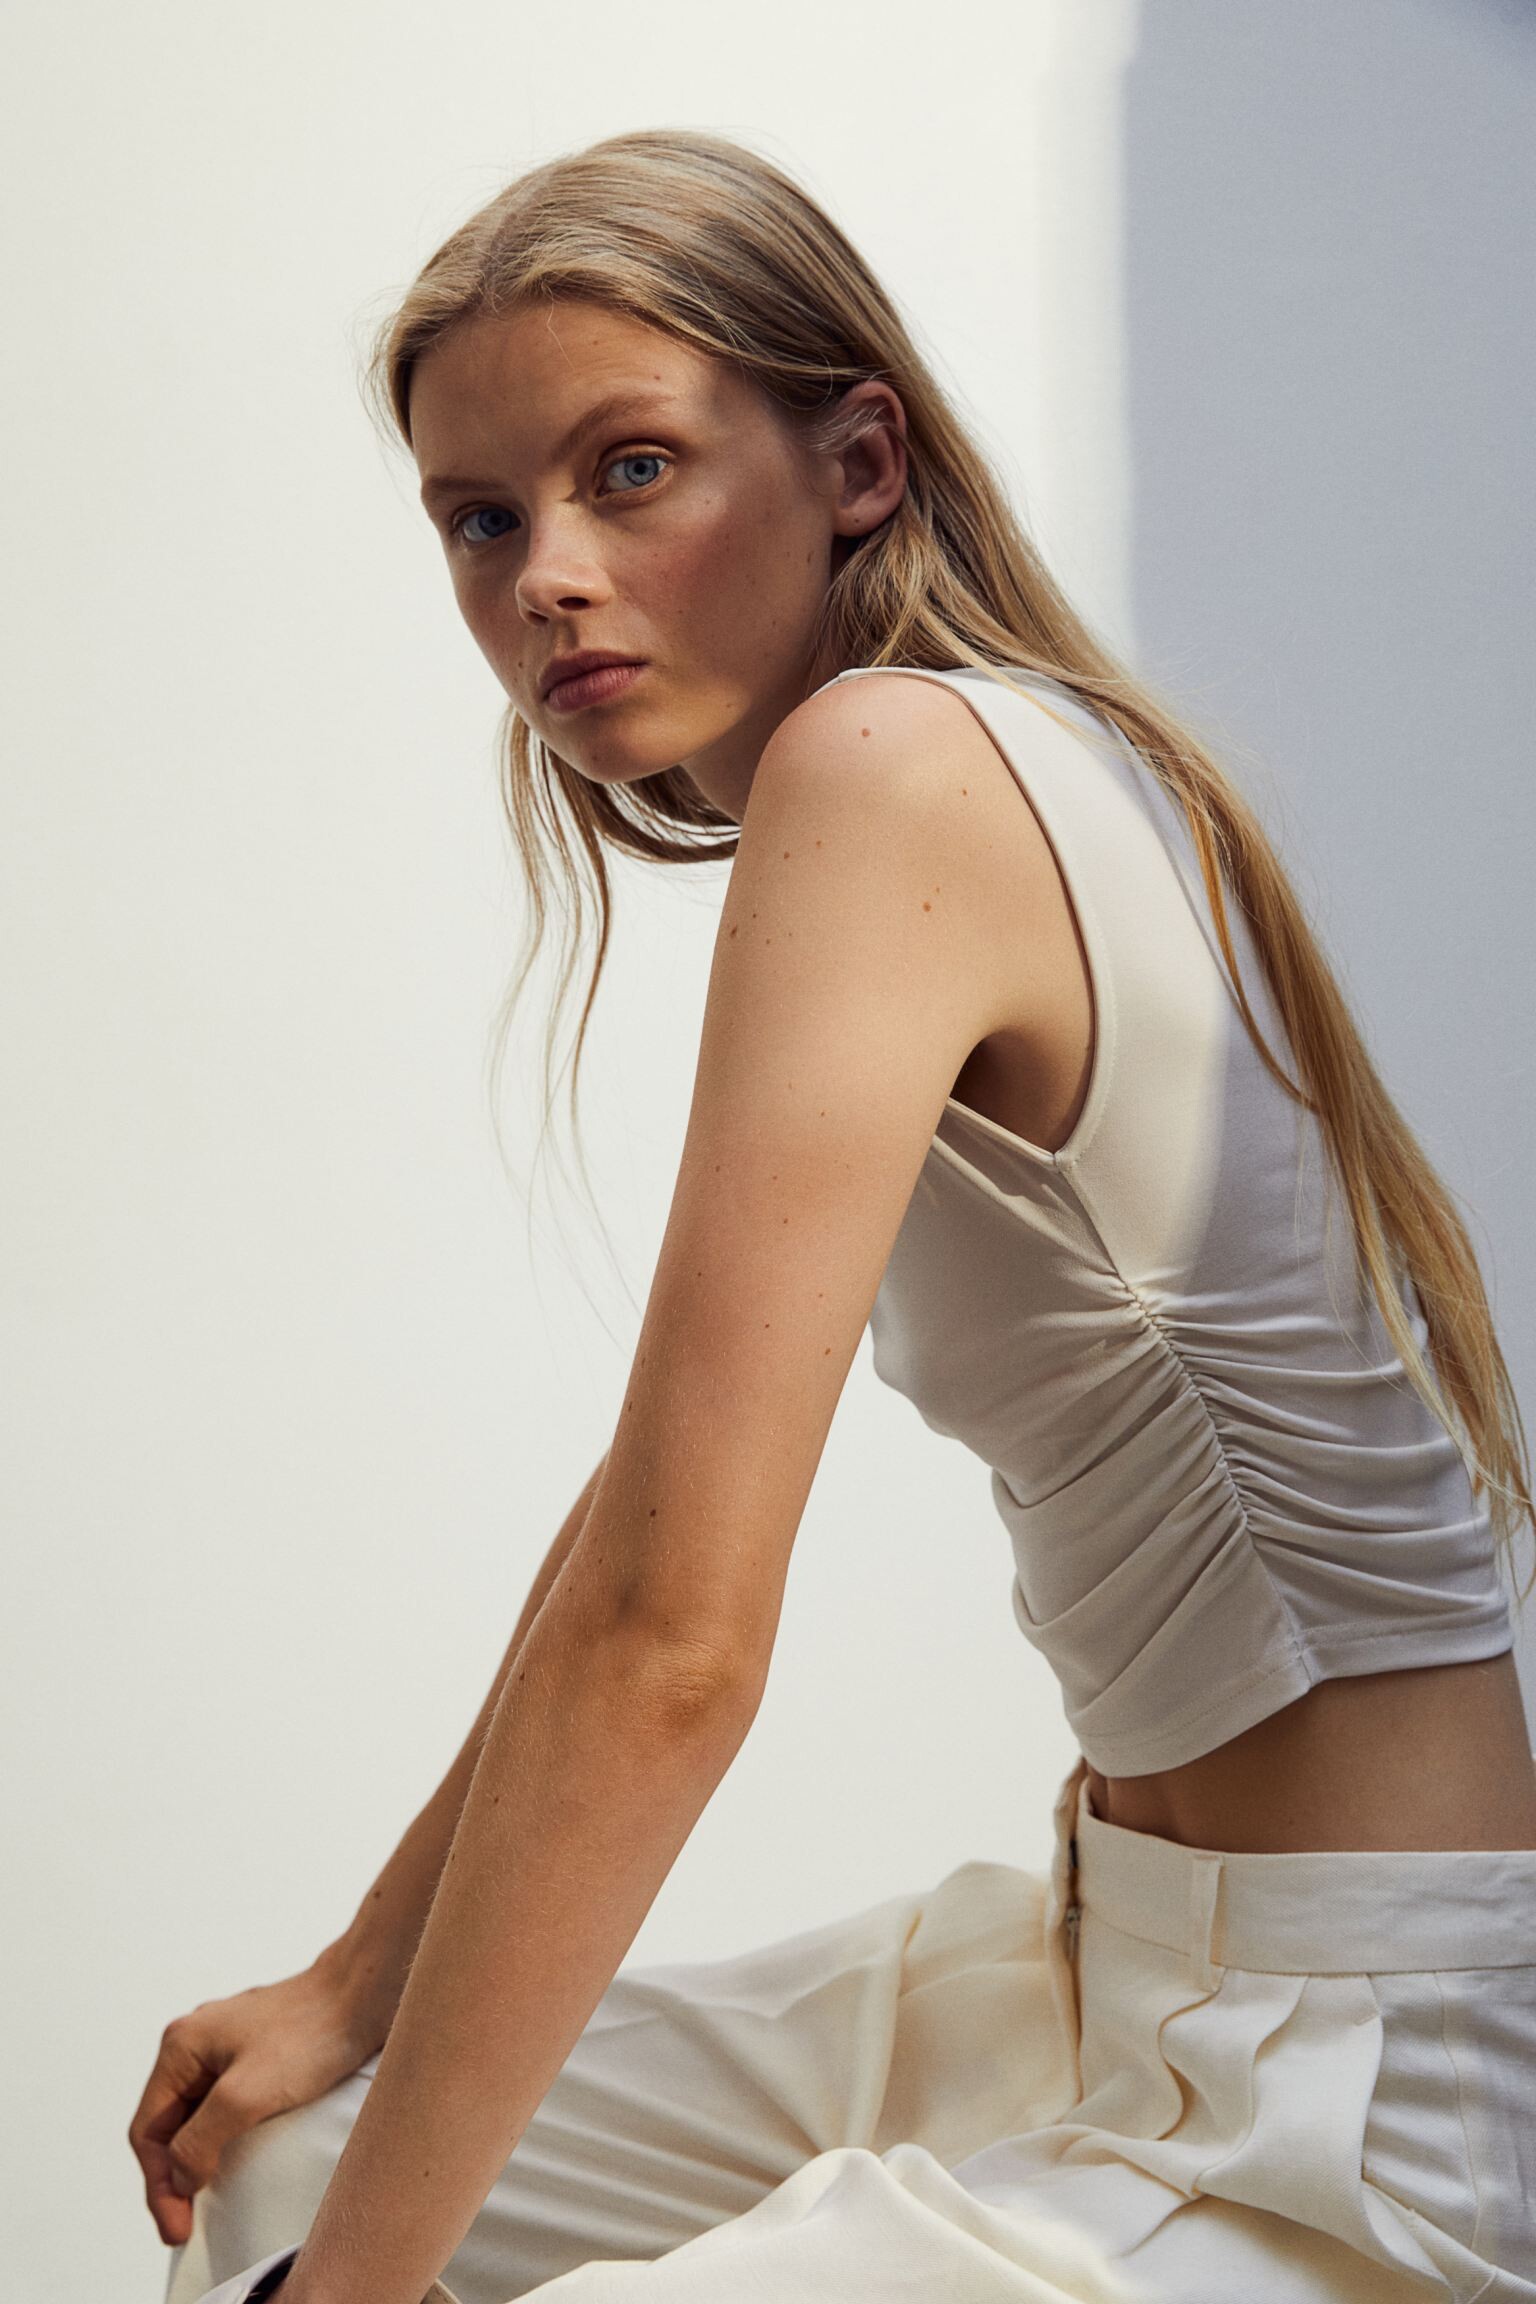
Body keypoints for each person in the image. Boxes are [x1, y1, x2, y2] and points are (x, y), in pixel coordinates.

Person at [129, 128, 1536, 2304]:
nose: (546, 579)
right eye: (480, 519)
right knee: (285, 2159)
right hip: (1098, 1964)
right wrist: (347, 1987)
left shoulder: (896, 770)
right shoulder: (972, 759)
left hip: (1357, 2085)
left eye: (631, 473)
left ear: (859, 460)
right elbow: (649, 1520)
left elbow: (674, 1652)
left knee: (331, 2242)